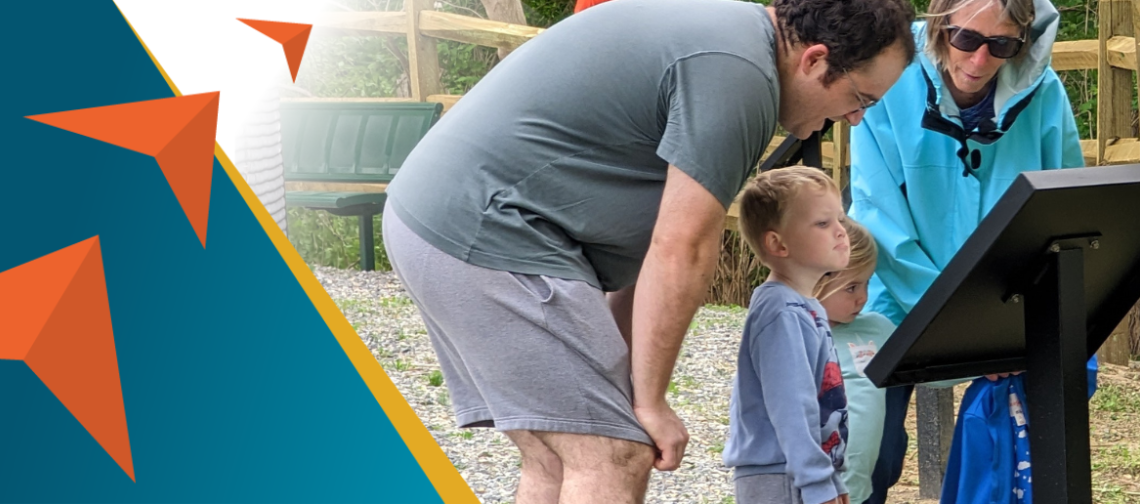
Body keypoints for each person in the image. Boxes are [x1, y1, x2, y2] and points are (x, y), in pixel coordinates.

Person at [379, 0, 915, 501]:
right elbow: (682, 245)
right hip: (489, 230)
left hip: (447, 218)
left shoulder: (733, 46)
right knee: (615, 453)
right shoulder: (740, 75)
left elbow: (648, 253)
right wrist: (648, 402)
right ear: (816, 60)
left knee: (557, 457)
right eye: (861, 98)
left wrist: (629, 380)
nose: (856, 119)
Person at [842, 0, 1095, 500]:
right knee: (870, 455)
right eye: (965, 40)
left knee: (1024, 461)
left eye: (1001, 46)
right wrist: (962, 325)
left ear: (1021, 42)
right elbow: (877, 216)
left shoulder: (1045, 92)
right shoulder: (889, 76)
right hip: (894, 298)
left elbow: (1067, 205)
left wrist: (998, 326)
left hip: (1005, 311)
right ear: (940, 25)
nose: (978, 62)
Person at [724, 166, 854, 504]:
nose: (841, 231)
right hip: (780, 476)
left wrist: (833, 479)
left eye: (840, 220)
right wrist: (816, 482)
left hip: (797, 472)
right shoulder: (781, 311)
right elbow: (792, 405)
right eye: (823, 224)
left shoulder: (804, 305)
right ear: (777, 243)